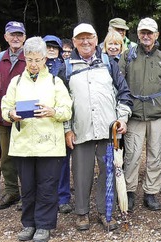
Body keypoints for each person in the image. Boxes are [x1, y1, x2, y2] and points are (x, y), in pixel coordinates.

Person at [58, 23, 132, 231]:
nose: (85, 42)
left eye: (89, 37)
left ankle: (105, 212)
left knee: (108, 172)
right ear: (74, 42)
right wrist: (66, 129)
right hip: (81, 130)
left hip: (109, 130)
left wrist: (122, 119)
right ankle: (82, 213)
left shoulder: (108, 62)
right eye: (80, 38)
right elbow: (62, 102)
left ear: (96, 38)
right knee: (81, 174)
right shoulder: (66, 67)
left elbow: (124, 93)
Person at [2, 36, 72, 242]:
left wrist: (52, 111)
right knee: (29, 186)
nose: (34, 64)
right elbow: (5, 108)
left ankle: (44, 225)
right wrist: (11, 114)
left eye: (38, 59)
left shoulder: (55, 82)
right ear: (25, 58)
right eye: (30, 59)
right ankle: (29, 223)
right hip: (23, 145)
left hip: (49, 145)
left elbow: (67, 110)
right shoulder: (15, 82)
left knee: (47, 186)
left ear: (44, 59)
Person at [119, 17, 161, 212]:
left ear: (156, 35)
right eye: (143, 32)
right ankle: (129, 191)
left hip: (158, 114)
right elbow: (119, 84)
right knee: (132, 155)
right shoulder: (128, 56)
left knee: (155, 154)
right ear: (138, 34)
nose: (146, 36)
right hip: (134, 113)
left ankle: (151, 192)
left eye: (150, 33)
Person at [0, 21, 27, 210]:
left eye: (19, 34)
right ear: (5, 37)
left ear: (25, 37)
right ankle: (12, 190)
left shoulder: (31, 58)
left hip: (27, 118)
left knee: (27, 156)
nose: (16, 38)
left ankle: (28, 193)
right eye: (12, 34)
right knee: (6, 156)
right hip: (3, 117)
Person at [42, 34, 73, 214]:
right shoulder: (35, 68)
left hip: (61, 119)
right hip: (42, 121)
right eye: (48, 46)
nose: (51, 49)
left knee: (62, 161)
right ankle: (44, 196)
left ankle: (62, 197)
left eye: (55, 47)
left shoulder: (66, 68)